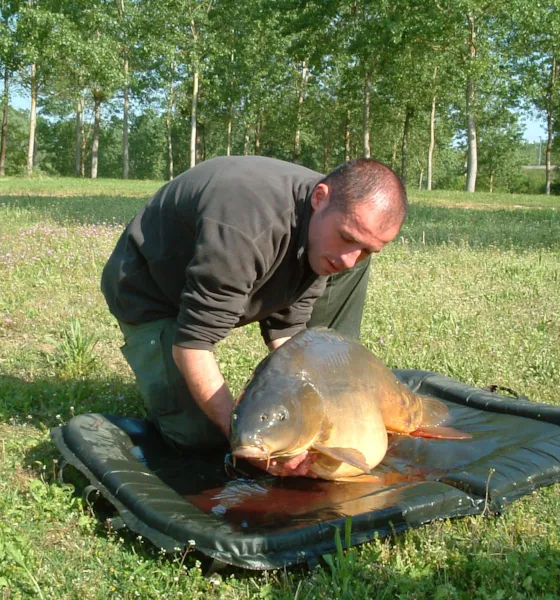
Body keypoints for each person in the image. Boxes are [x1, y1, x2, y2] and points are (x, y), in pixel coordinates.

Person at [101, 155, 407, 476]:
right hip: (151, 290)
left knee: (304, 419)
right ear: (320, 197)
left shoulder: (326, 224)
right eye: (347, 238)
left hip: (234, 271)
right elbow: (192, 345)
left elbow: (288, 330)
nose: (349, 260)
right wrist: (244, 435)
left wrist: (301, 413)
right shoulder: (244, 225)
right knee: (203, 438)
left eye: (367, 250)